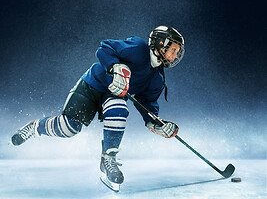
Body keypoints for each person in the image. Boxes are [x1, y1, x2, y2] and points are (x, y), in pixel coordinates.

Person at [10, 25, 185, 192]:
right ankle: (35, 127)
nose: (175, 54)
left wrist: (156, 123)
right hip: (93, 85)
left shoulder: (158, 79)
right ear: (160, 42)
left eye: (177, 51)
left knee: (118, 108)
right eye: (173, 48)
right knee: (68, 128)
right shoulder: (138, 48)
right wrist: (115, 67)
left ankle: (108, 159)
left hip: (114, 94)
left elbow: (147, 103)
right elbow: (105, 47)